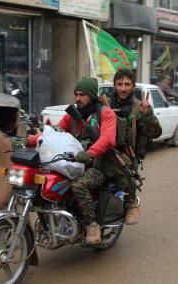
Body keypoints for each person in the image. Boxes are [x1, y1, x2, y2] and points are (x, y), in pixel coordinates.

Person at [27, 77, 117, 245]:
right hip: (75, 164)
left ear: (91, 95)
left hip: (99, 165)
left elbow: (108, 140)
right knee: (46, 179)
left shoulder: (106, 114)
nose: (78, 98)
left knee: (78, 185)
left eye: (82, 94)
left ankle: (92, 224)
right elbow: (54, 134)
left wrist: (89, 153)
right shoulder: (72, 116)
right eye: (76, 94)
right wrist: (30, 140)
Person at [100, 68, 162, 226]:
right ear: (114, 85)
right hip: (104, 147)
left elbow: (156, 133)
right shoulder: (104, 103)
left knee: (124, 165)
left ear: (133, 86)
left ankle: (131, 202)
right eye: (119, 84)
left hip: (127, 152)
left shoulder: (140, 107)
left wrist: (147, 116)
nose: (122, 88)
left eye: (127, 84)